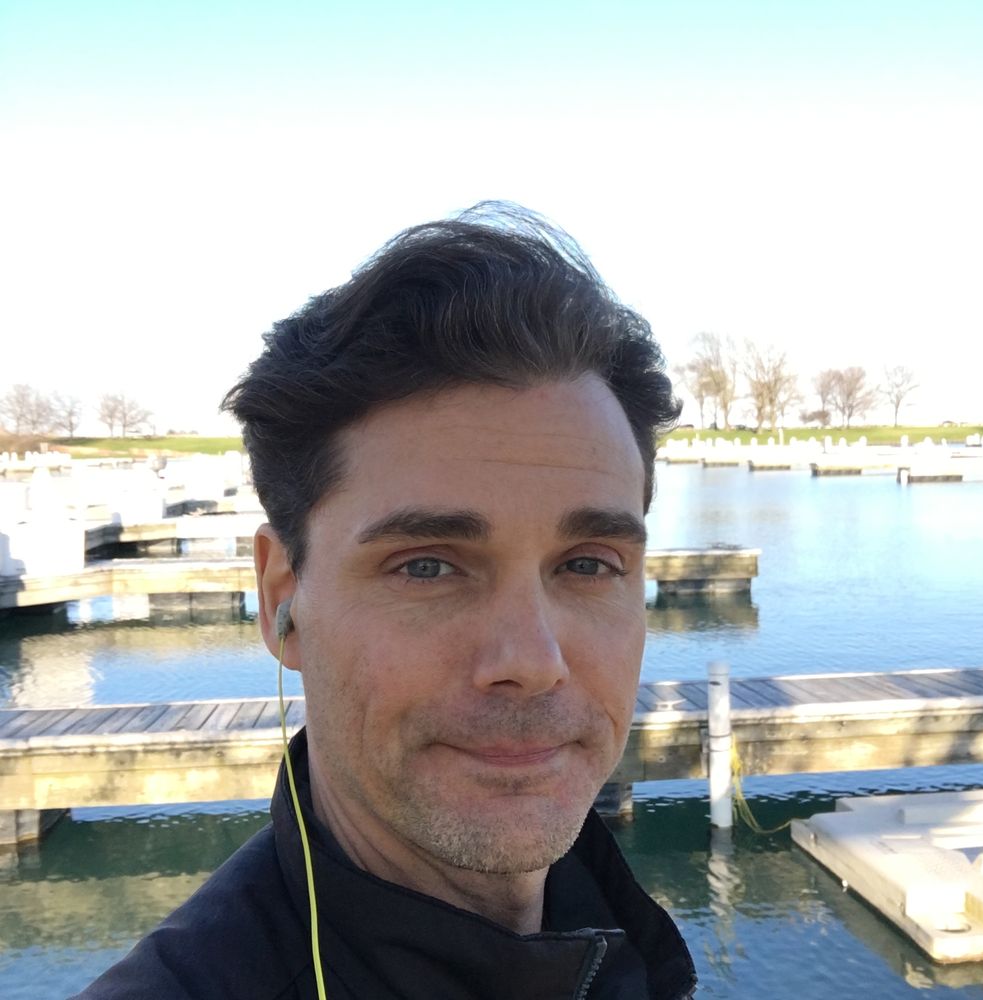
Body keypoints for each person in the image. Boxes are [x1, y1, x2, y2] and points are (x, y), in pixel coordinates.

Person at [74, 203, 697, 999]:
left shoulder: (620, 944)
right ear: (282, 599)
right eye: (427, 567)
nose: (533, 661)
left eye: (588, 565)